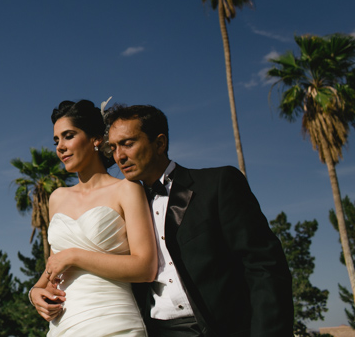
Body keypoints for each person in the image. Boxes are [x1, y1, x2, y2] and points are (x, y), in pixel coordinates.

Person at [103, 104, 293, 337]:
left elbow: (264, 267)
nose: (119, 156)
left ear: (160, 143)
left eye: (128, 143)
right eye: (113, 147)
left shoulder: (217, 184)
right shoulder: (123, 209)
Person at [29, 100, 158, 336]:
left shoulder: (127, 189)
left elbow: (145, 267)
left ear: (96, 139)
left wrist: (75, 256)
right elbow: (54, 267)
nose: (60, 147)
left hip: (114, 323)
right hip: (64, 325)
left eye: (69, 136)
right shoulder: (57, 198)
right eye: (56, 141)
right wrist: (35, 292)